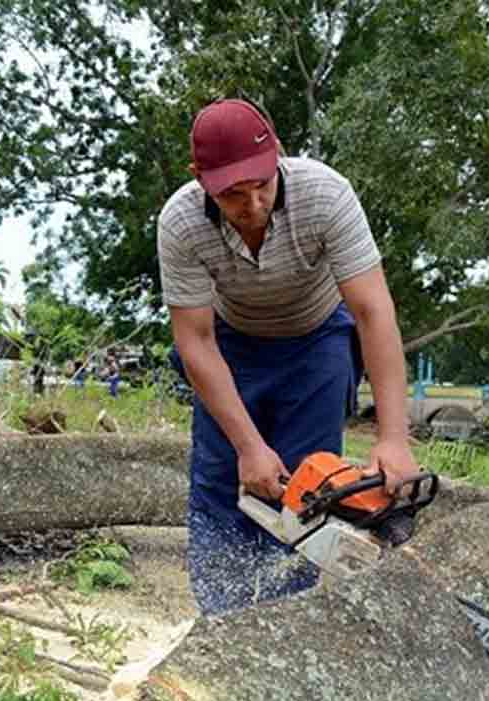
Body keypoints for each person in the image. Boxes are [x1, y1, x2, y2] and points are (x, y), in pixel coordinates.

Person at [157, 98, 419, 615]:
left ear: (277, 154)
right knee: (221, 477)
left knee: (309, 485)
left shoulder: (325, 194)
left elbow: (373, 312)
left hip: (317, 339)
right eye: (233, 195)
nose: (252, 204)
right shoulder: (180, 222)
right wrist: (248, 446)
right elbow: (196, 340)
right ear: (201, 179)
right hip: (231, 344)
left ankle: (287, 615)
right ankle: (221, 618)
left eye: (262, 186)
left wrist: (393, 437)